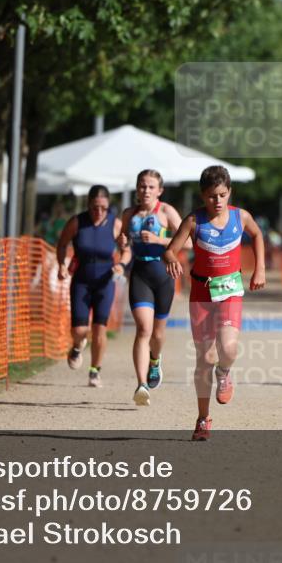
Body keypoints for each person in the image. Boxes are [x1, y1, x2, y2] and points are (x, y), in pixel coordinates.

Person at [164, 165, 266, 441]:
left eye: (222, 195)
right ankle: (202, 419)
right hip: (202, 294)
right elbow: (170, 251)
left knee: (228, 348)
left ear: (229, 192)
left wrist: (260, 269)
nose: (217, 201)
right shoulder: (194, 221)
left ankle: (225, 372)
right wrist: (171, 260)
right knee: (205, 358)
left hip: (231, 291)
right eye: (211, 196)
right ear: (202, 195)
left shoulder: (240, 217)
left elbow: (257, 235)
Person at [119, 170, 185, 407]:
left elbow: (187, 240)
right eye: (142, 186)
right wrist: (122, 246)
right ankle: (141, 384)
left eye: (150, 187)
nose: (145, 190)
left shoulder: (166, 212)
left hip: (164, 275)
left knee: (157, 334)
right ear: (137, 189)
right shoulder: (129, 214)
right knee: (143, 329)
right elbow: (124, 242)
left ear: (159, 190)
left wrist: (159, 240)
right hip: (140, 275)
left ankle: (155, 361)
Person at [56, 185, 129, 387]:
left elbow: (127, 250)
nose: (99, 212)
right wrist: (62, 264)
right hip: (81, 280)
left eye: (103, 208)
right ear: (89, 205)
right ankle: (78, 345)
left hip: (105, 282)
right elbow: (62, 244)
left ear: (108, 207)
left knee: (99, 329)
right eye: (95, 207)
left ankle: (95, 371)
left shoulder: (115, 224)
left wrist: (122, 265)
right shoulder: (77, 222)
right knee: (79, 330)